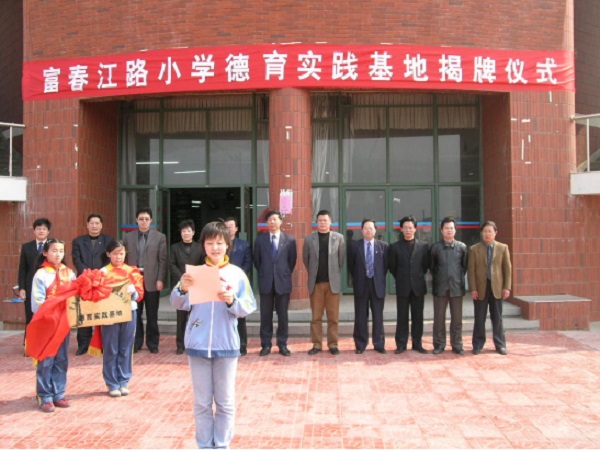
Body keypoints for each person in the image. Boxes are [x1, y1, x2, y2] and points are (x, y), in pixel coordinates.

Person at [170, 221, 256, 449]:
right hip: (197, 345)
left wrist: (232, 301)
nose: (215, 248)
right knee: (202, 403)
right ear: (203, 246)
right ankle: (205, 445)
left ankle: (222, 444)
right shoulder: (194, 274)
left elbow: (248, 305)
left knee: (225, 403)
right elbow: (178, 303)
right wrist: (182, 288)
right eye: (210, 243)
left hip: (226, 345)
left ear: (227, 245)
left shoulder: (237, 274)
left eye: (219, 243)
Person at [30, 239, 76, 413]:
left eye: (61, 251)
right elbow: (37, 302)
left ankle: (58, 393)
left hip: (63, 324)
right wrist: (51, 314)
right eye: (54, 251)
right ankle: (44, 395)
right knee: (46, 359)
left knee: (62, 358)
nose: (58, 254)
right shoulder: (40, 274)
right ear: (45, 253)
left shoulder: (69, 273)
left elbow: (74, 296)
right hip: (46, 324)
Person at [97, 240, 145, 397]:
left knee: (126, 347)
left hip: (129, 312)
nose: (118, 257)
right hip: (110, 314)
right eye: (115, 254)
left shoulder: (132, 271)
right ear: (108, 254)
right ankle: (111, 382)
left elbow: (140, 294)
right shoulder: (103, 272)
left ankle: (124, 380)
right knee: (111, 347)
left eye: (121, 253)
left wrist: (134, 292)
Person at [123, 207, 167, 354]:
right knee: (135, 313)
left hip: (152, 279)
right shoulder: (128, 237)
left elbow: (162, 260)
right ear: (136, 220)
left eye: (146, 219)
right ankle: (136, 342)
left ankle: (153, 343)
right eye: (141, 219)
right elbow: (124, 260)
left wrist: (160, 279)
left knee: (152, 314)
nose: (144, 222)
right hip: (134, 280)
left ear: (151, 220)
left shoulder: (160, 237)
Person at [253, 210, 297, 357]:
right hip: (266, 282)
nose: (272, 222)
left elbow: (291, 261)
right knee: (265, 316)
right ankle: (266, 344)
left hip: (282, 282)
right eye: (269, 220)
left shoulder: (289, 240)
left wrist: (281, 273)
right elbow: (257, 261)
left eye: (274, 219)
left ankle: (282, 344)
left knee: (283, 316)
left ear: (281, 222)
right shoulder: (260, 240)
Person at [302, 210, 346, 356]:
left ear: (330, 222)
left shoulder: (339, 238)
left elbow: (340, 261)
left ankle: (333, 344)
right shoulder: (309, 239)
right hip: (316, 284)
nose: (322, 223)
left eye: (325, 220)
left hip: (332, 284)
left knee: (333, 318)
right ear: (316, 222)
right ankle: (317, 344)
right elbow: (306, 260)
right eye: (320, 220)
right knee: (316, 317)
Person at [71, 213, 115, 355]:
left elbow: (110, 260)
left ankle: (101, 344)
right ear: (87, 225)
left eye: (97, 223)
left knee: (101, 314)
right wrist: (88, 275)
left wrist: (99, 274)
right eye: (92, 223)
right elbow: (76, 260)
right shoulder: (78, 241)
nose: (94, 226)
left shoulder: (109, 240)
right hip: (84, 282)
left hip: (102, 282)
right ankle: (83, 345)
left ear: (101, 225)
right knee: (84, 314)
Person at [468, 221, 512, 356]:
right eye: (485, 231)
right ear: (481, 233)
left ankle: (500, 344)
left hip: (497, 287)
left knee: (497, 318)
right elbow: (471, 271)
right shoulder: (474, 249)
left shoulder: (503, 248)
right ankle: (477, 345)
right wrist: (473, 288)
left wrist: (507, 287)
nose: (487, 234)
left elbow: (507, 269)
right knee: (479, 318)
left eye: (489, 231)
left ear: (495, 233)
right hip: (480, 288)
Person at [388, 215, 430, 354]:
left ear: (415, 229)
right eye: (405, 227)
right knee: (402, 317)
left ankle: (417, 344)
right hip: (403, 286)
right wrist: (402, 277)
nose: (408, 230)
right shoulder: (395, 247)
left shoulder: (423, 246)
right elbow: (392, 267)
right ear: (401, 229)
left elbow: (425, 266)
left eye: (410, 227)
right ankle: (401, 344)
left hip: (418, 287)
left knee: (418, 317)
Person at [347, 219, 389, 354]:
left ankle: (379, 344)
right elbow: (351, 266)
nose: (368, 231)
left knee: (378, 316)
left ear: (375, 230)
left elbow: (385, 266)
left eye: (371, 228)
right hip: (361, 284)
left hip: (377, 285)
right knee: (360, 315)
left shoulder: (383, 247)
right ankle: (360, 344)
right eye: (365, 228)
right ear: (361, 230)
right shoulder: (355, 246)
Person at [430, 217, 468, 355]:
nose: (449, 230)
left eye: (451, 228)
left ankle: (457, 344)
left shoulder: (462, 247)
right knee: (439, 318)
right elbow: (432, 267)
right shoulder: (435, 247)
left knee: (457, 319)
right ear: (441, 230)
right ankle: (439, 344)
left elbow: (464, 267)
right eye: (446, 228)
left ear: (455, 230)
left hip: (456, 288)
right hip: (440, 288)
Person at [169, 219, 203, 355]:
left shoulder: (200, 247)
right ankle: (180, 344)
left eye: (188, 231)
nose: (186, 233)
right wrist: (182, 278)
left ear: (193, 232)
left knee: (196, 316)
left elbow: (203, 264)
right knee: (181, 317)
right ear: (181, 233)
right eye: (184, 231)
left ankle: (195, 342)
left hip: (196, 285)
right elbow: (171, 264)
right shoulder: (174, 248)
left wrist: (195, 277)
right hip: (181, 286)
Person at [18, 217, 51, 341]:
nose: (41, 231)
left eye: (44, 229)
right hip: (30, 287)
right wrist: (22, 288)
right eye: (38, 229)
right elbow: (22, 269)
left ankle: (46, 342)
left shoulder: (53, 246)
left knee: (47, 317)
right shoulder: (27, 247)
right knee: (30, 315)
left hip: (48, 287)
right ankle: (29, 343)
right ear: (34, 231)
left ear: (48, 231)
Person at [224, 217, 252, 356]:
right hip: (222, 286)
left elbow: (248, 263)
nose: (228, 229)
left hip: (238, 285)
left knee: (240, 317)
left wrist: (238, 277)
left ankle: (242, 345)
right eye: (226, 226)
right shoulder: (219, 244)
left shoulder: (244, 245)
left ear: (236, 229)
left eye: (231, 226)